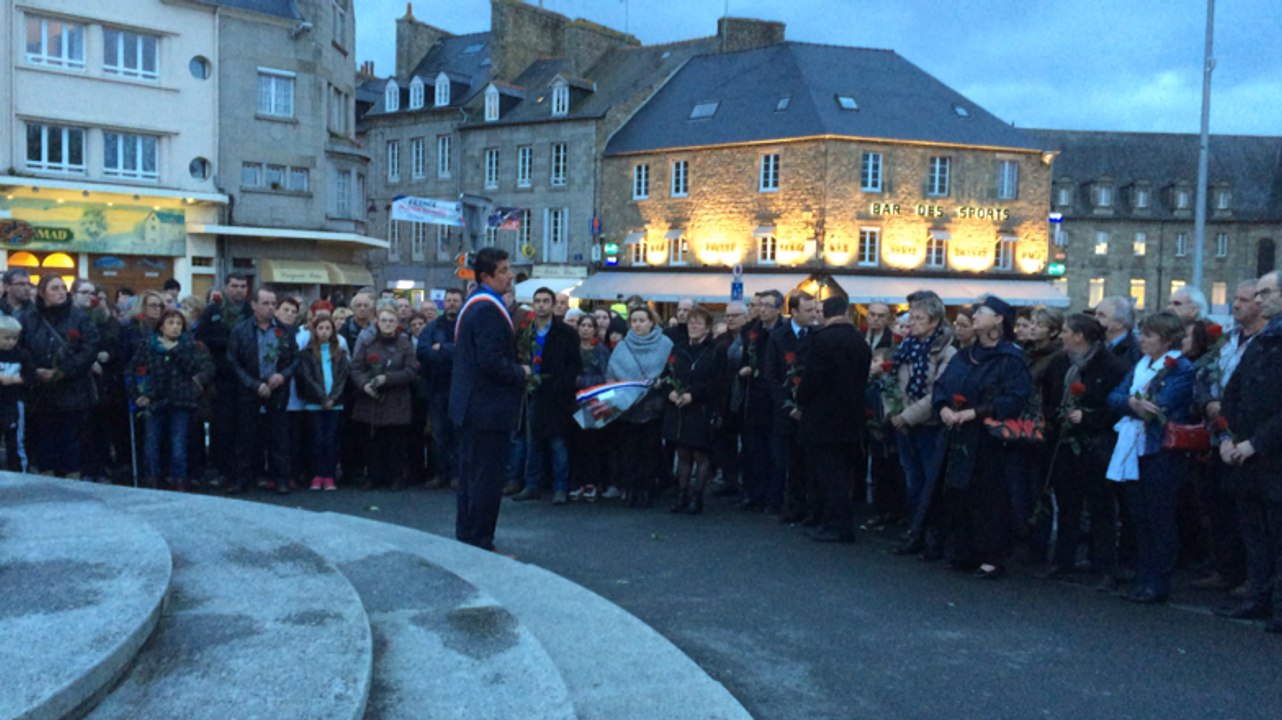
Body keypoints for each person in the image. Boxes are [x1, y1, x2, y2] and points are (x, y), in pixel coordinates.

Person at [933, 295, 1031, 579]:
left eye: (982, 312)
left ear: (999, 320)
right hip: (958, 433)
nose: (975, 316)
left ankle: (992, 555)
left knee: (989, 498)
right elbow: (942, 385)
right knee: (957, 494)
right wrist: (942, 408)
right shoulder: (964, 355)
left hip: (989, 439)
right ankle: (962, 550)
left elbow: (1015, 398)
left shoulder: (1010, 358)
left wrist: (975, 413)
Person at [1106, 310, 1195, 604]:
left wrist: (1131, 402)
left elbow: (1161, 405)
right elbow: (1115, 397)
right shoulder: (1141, 364)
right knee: (1139, 517)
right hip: (1134, 446)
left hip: (1160, 451)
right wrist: (1132, 402)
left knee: (1160, 518)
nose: (1142, 340)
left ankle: (1159, 580)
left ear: (1167, 340)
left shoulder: (1181, 369)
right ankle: (1144, 577)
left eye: (1149, 335)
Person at [451, 248, 530, 551]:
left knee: (472, 475)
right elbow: (490, 361)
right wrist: (520, 371)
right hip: (486, 409)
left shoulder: (473, 304)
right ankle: (480, 541)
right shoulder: (486, 309)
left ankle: (469, 537)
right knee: (486, 478)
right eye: (503, 270)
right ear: (486, 276)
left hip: (472, 406)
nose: (510, 275)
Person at [1040, 314, 1128, 584]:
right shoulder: (1059, 361)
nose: (1062, 336)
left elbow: (1116, 408)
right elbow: (1047, 392)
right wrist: (1054, 415)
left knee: (1101, 507)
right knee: (1068, 503)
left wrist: (1089, 418)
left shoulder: (1111, 366)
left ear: (1080, 336)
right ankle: (1063, 559)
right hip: (1063, 441)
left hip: (1095, 443)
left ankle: (1105, 566)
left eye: (1066, 331)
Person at [1217, 271, 1282, 632]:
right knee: (1254, 532)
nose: (1259, 300)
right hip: (1246, 455)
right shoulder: (1261, 341)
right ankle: (1259, 596)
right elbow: (1234, 392)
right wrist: (1226, 436)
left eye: (1266, 293)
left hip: (1272, 455)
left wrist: (1255, 443)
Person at [1196, 280, 1266, 596]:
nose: (1235, 304)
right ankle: (1225, 568)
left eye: (1244, 299)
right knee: (1218, 506)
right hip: (1218, 432)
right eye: (1235, 298)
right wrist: (1208, 402)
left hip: (1248, 435)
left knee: (1249, 515)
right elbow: (1204, 374)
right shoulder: (1226, 340)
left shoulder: (1266, 342)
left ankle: (1252, 577)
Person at [797, 296, 870, 541]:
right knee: (842, 472)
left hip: (823, 418)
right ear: (847, 312)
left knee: (829, 475)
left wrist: (801, 398)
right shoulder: (860, 342)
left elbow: (811, 380)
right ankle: (838, 523)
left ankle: (835, 525)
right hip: (852, 416)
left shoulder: (823, 341)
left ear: (825, 314)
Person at [889, 293, 957, 555]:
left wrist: (908, 416)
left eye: (919, 318)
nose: (913, 323)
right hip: (905, 423)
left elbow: (938, 391)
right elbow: (894, 381)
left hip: (928, 424)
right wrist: (895, 412)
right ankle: (914, 531)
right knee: (912, 480)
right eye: (912, 317)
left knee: (930, 482)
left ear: (934, 322)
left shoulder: (946, 350)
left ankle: (932, 536)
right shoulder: (908, 347)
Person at [20, 275, 99, 478]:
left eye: (63, 288)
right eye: (54, 288)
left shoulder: (79, 317)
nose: (61, 292)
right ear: (42, 292)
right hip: (41, 393)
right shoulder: (29, 317)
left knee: (71, 441)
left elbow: (89, 349)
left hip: (72, 392)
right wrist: (34, 370)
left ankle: (73, 480)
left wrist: (63, 371)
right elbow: (21, 348)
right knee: (44, 439)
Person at [129, 309, 214, 491]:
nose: (175, 327)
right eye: (171, 323)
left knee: (178, 443)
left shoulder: (189, 346)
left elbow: (193, 368)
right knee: (152, 442)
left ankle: (179, 480)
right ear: (161, 326)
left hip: (181, 400)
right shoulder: (147, 345)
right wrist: (137, 395)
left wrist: (175, 351)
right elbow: (132, 370)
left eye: (179, 324)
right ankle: (151, 478)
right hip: (154, 399)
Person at [511, 287, 582, 505]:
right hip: (533, 393)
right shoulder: (527, 331)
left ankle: (560, 487)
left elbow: (574, 365)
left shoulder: (565, 333)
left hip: (557, 395)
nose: (541, 305)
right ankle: (532, 484)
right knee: (533, 441)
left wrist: (561, 384)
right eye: (537, 301)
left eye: (545, 301)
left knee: (558, 443)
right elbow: (519, 356)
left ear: (552, 305)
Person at [226, 287, 299, 495]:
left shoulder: (285, 330)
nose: (270, 308)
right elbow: (233, 362)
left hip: (278, 389)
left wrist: (282, 375)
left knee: (279, 437)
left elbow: (295, 359)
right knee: (246, 437)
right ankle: (242, 478)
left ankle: (280, 479)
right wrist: (254, 384)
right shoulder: (241, 330)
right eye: (265, 303)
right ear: (254, 305)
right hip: (250, 390)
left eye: (273, 304)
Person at [661, 305, 726, 514]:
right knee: (683, 453)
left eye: (698, 323)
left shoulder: (715, 350)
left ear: (708, 328)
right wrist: (670, 391)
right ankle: (682, 494)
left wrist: (693, 394)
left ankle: (697, 496)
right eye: (691, 322)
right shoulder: (678, 348)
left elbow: (717, 382)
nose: (693, 326)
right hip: (679, 407)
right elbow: (667, 374)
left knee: (700, 454)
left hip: (701, 407)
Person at [607, 306, 673, 508]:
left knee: (649, 451)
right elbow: (611, 372)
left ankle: (647, 488)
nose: (637, 324)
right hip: (627, 407)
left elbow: (670, 371)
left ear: (651, 322)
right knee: (628, 451)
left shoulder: (665, 344)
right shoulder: (622, 346)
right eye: (634, 321)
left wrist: (658, 384)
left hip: (652, 406)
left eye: (642, 320)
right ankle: (630, 488)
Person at [350, 306, 419, 490]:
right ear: (377, 323)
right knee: (373, 441)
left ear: (397, 324)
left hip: (396, 400)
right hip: (372, 399)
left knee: (395, 441)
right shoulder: (368, 343)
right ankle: (373, 475)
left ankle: (396, 476)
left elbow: (412, 371)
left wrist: (387, 379)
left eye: (391, 321)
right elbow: (356, 368)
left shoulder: (405, 345)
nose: (387, 324)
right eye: (384, 320)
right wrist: (365, 384)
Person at [767, 291, 820, 525]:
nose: (814, 315)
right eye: (808, 311)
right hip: (787, 412)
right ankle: (791, 505)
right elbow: (772, 376)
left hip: (811, 410)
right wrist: (787, 406)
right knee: (788, 461)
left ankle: (810, 507)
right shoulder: (778, 337)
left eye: (815, 310)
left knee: (810, 463)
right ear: (795, 311)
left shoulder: (819, 335)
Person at [196, 272, 250, 485]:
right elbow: (201, 339)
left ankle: (244, 472)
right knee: (222, 428)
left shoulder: (250, 312)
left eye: (243, 286)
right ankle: (223, 471)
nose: (239, 290)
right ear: (226, 287)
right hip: (221, 378)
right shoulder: (213, 311)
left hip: (246, 378)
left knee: (245, 429)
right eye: (235, 285)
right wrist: (228, 342)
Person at [739, 290, 785, 513]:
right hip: (754, 396)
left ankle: (773, 497)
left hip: (774, 398)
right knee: (754, 450)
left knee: (775, 451)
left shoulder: (783, 331)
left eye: (768, 305)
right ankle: (754, 493)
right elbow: (746, 357)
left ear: (778, 308)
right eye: (760, 305)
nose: (763, 309)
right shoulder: (751, 330)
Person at [297, 314, 349, 491]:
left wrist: (333, 397)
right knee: (316, 439)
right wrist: (322, 397)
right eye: (321, 328)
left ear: (333, 330)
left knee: (331, 440)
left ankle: (329, 475)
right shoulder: (307, 353)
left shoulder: (340, 353)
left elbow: (342, 377)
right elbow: (308, 378)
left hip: (335, 403)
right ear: (315, 330)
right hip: (314, 403)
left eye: (328, 328)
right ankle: (316, 474)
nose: (324, 332)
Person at [421, 288, 463, 489]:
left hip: (459, 389)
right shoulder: (432, 326)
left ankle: (457, 474)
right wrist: (447, 353)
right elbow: (423, 351)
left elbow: (466, 353)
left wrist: (442, 348)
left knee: (458, 436)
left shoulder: (464, 326)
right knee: (438, 435)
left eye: (456, 300)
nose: (452, 303)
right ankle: (440, 474)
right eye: (449, 300)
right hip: (436, 388)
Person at [569, 313, 611, 501]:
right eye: (582, 325)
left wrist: (583, 382)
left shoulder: (600, 350)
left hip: (593, 403)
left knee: (593, 444)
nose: (585, 328)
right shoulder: (572, 349)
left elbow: (606, 376)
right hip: (574, 402)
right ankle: (578, 482)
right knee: (576, 443)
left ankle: (593, 483)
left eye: (589, 325)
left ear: (595, 329)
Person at [0, 316, 33, 472]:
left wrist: (16, 379)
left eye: (14, 338)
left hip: (13, 401)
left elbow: (30, 376)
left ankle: (19, 470)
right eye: (6, 338)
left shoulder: (22, 354)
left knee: (15, 439)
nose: (11, 342)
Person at [1094, 296, 1143, 367]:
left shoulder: (1134, 352)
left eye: (1101, 315)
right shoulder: (1096, 344)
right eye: (1095, 314)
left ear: (1120, 323)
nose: (1095, 318)